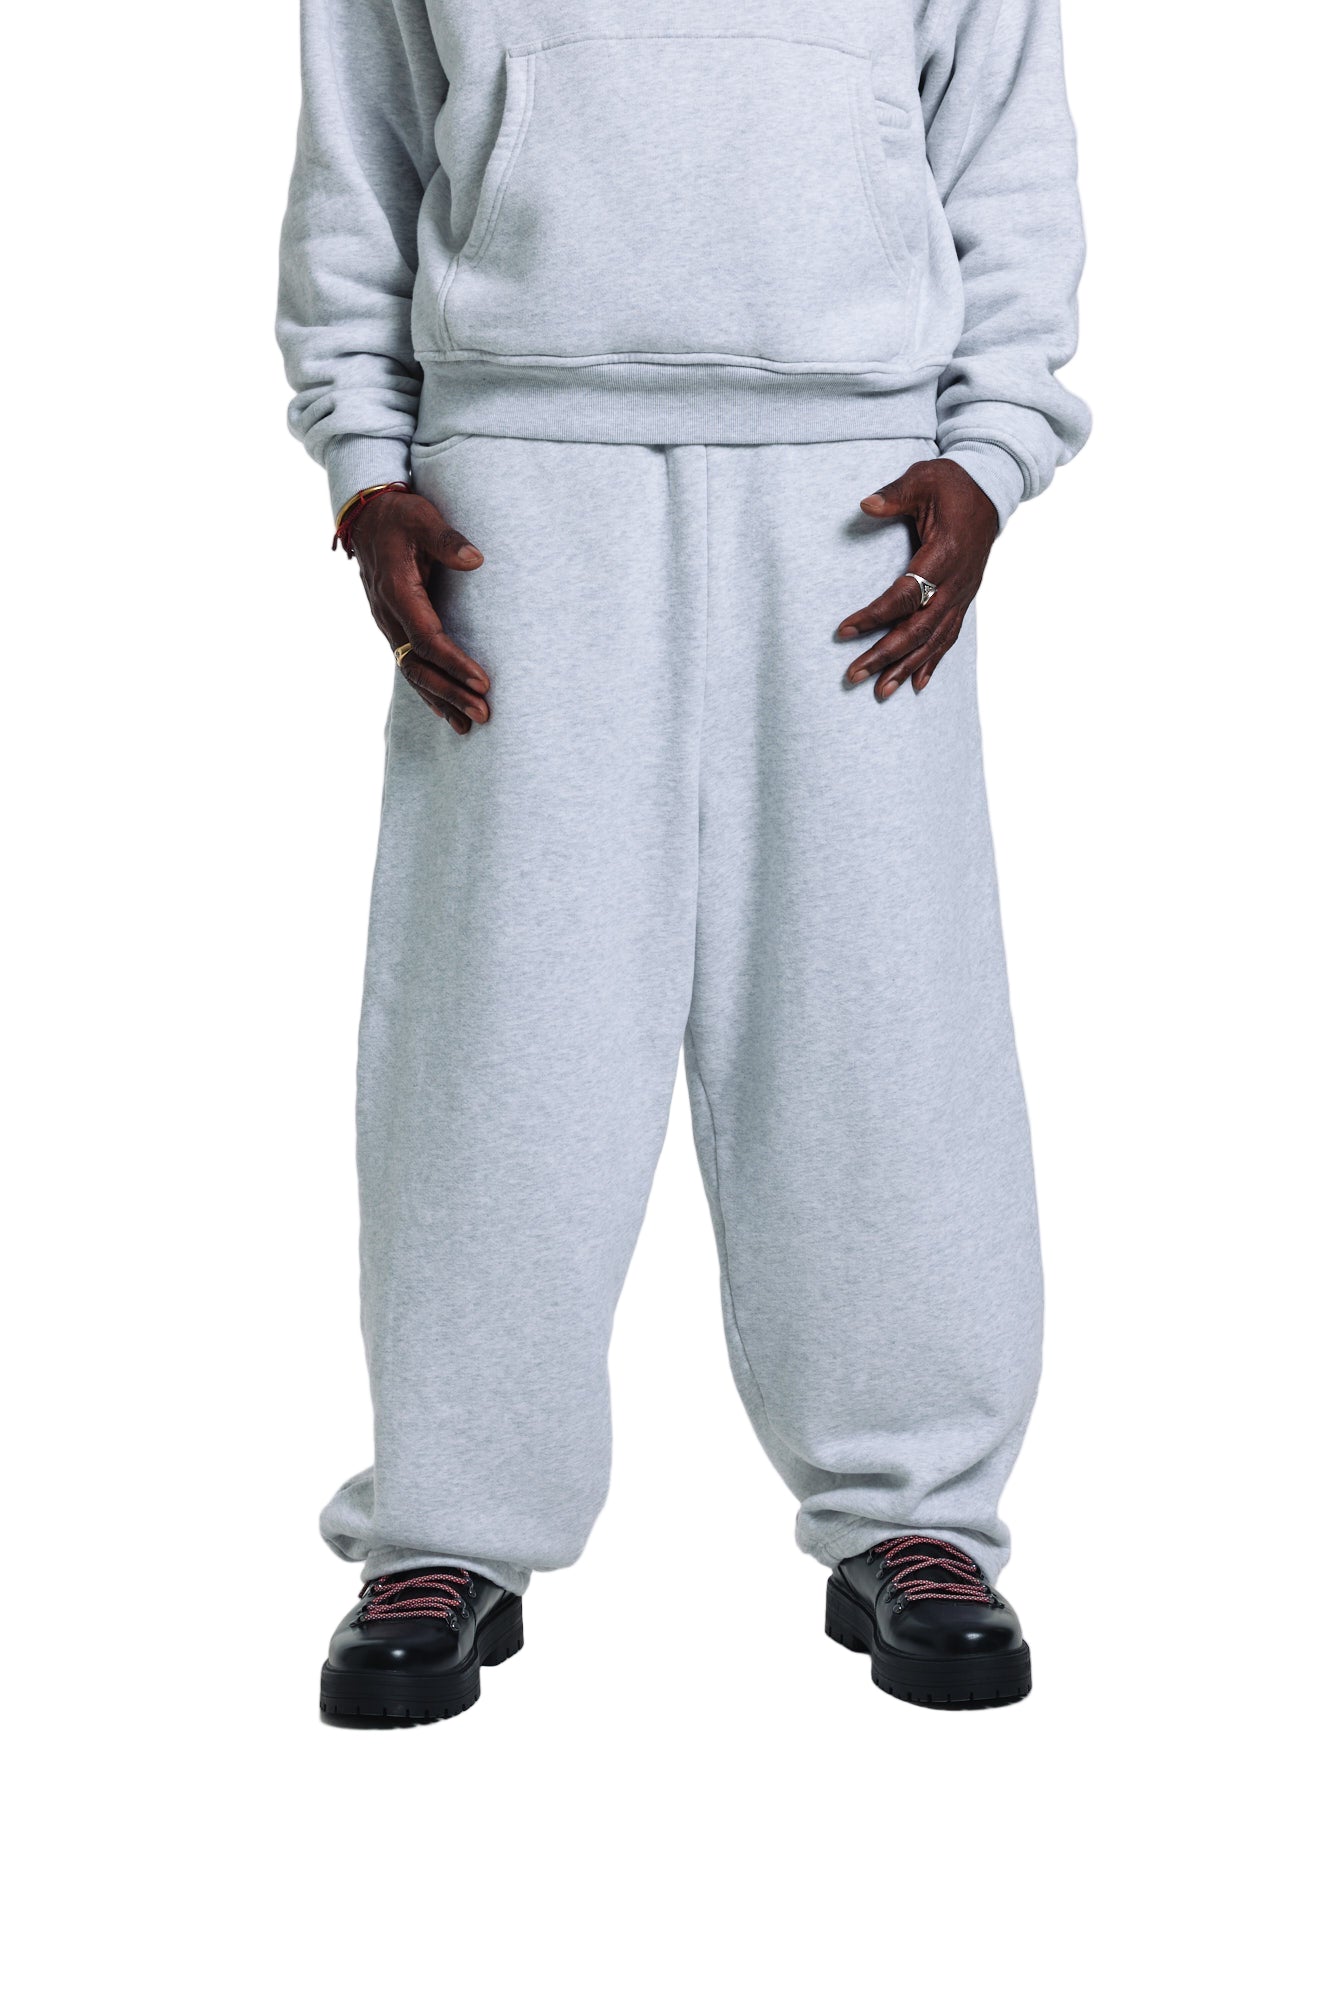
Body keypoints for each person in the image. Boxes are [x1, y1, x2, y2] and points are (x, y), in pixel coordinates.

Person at [277, 0, 1089, 1725]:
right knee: (498, 1026)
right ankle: (446, 1524)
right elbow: (361, 151)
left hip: (858, 482)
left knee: (881, 1012)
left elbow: (1003, 152)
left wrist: (990, 450)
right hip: (517, 470)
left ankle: (916, 1512)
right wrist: (365, 466)